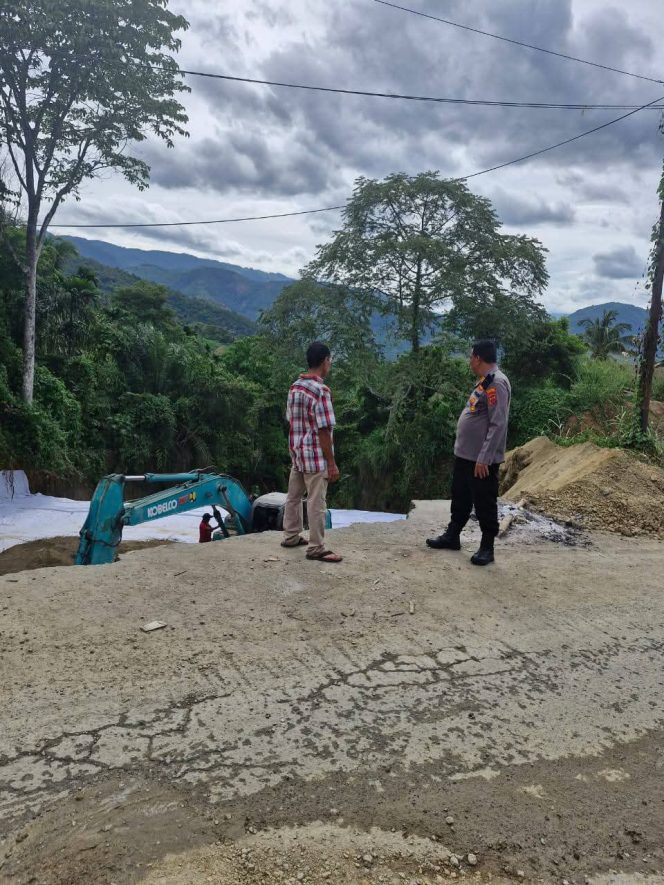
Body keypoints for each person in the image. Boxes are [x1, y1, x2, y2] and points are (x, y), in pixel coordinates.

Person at [426, 339, 511, 566]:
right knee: (460, 496)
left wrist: (485, 457)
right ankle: (452, 536)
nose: (469, 361)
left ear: (478, 358)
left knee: (484, 501)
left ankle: (487, 547)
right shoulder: (485, 381)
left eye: (471, 356)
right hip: (466, 455)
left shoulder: (497, 383)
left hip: (480, 459)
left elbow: (498, 423)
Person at [282, 341, 342, 563]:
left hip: (297, 452)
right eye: (330, 360)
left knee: (293, 497)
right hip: (315, 457)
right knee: (317, 502)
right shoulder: (321, 391)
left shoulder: (295, 387)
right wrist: (331, 463)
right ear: (325, 361)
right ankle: (316, 547)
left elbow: (290, 419)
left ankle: (291, 535)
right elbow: (324, 430)